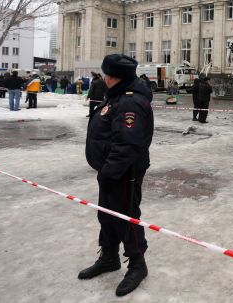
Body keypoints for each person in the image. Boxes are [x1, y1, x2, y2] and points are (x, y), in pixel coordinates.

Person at [79, 54, 153, 296]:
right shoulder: (119, 96)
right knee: (108, 216)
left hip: (124, 172)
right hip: (111, 171)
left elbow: (127, 144)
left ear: (111, 76)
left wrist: (109, 171)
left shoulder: (130, 102)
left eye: (105, 74)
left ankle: (137, 264)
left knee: (127, 217)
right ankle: (109, 256)